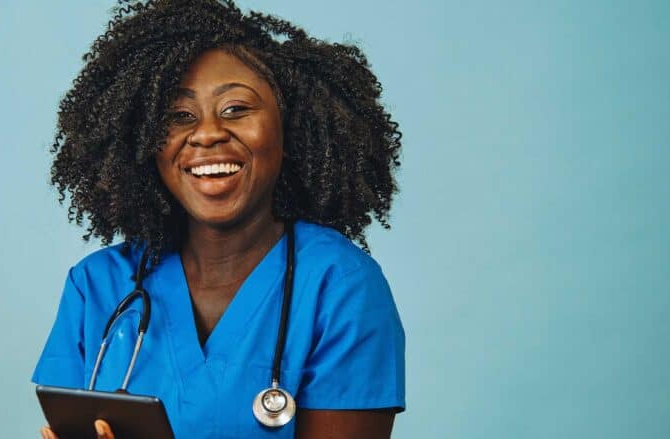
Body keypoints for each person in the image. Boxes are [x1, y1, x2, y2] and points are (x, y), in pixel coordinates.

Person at [33, 1, 405, 437]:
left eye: (235, 109)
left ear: (291, 132)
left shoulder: (340, 286)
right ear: (145, 143)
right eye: (179, 116)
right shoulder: (97, 287)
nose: (207, 133)